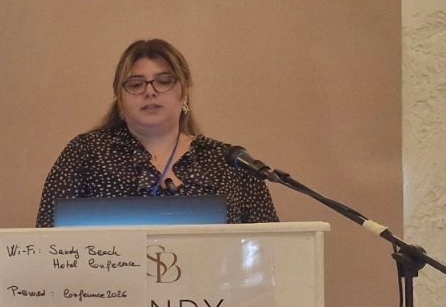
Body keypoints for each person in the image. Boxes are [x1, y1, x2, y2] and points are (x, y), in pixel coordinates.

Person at [35, 38, 277, 227]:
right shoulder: (86, 154)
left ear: (184, 93)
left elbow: (270, 251)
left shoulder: (229, 163)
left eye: (164, 81)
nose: (150, 92)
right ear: (120, 99)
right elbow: (47, 241)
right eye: (136, 84)